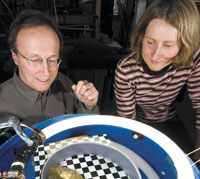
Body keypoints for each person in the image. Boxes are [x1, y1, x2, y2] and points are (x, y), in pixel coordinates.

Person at [114, 0, 200, 163]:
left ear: (185, 45)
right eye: (150, 42)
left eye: (168, 45)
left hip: (169, 119)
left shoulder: (193, 59)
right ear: (141, 37)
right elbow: (128, 122)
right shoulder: (126, 70)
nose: (155, 56)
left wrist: (197, 157)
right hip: (137, 124)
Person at [0, 9, 99, 128]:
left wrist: (88, 106)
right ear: (15, 57)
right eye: (35, 60)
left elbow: (85, 130)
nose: (46, 72)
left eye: (52, 60)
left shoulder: (65, 84)